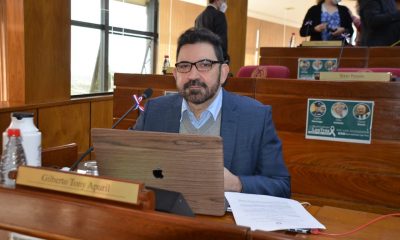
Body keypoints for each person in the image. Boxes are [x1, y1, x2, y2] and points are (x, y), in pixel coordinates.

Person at [134, 28, 290, 198]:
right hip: (166, 216)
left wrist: (237, 184)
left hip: (225, 221)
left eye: (205, 65)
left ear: (223, 73)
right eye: (184, 66)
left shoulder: (255, 117)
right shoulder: (154, 111)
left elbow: (281, 186)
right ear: (175, 74)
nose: (193, 75)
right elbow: (125, 164)